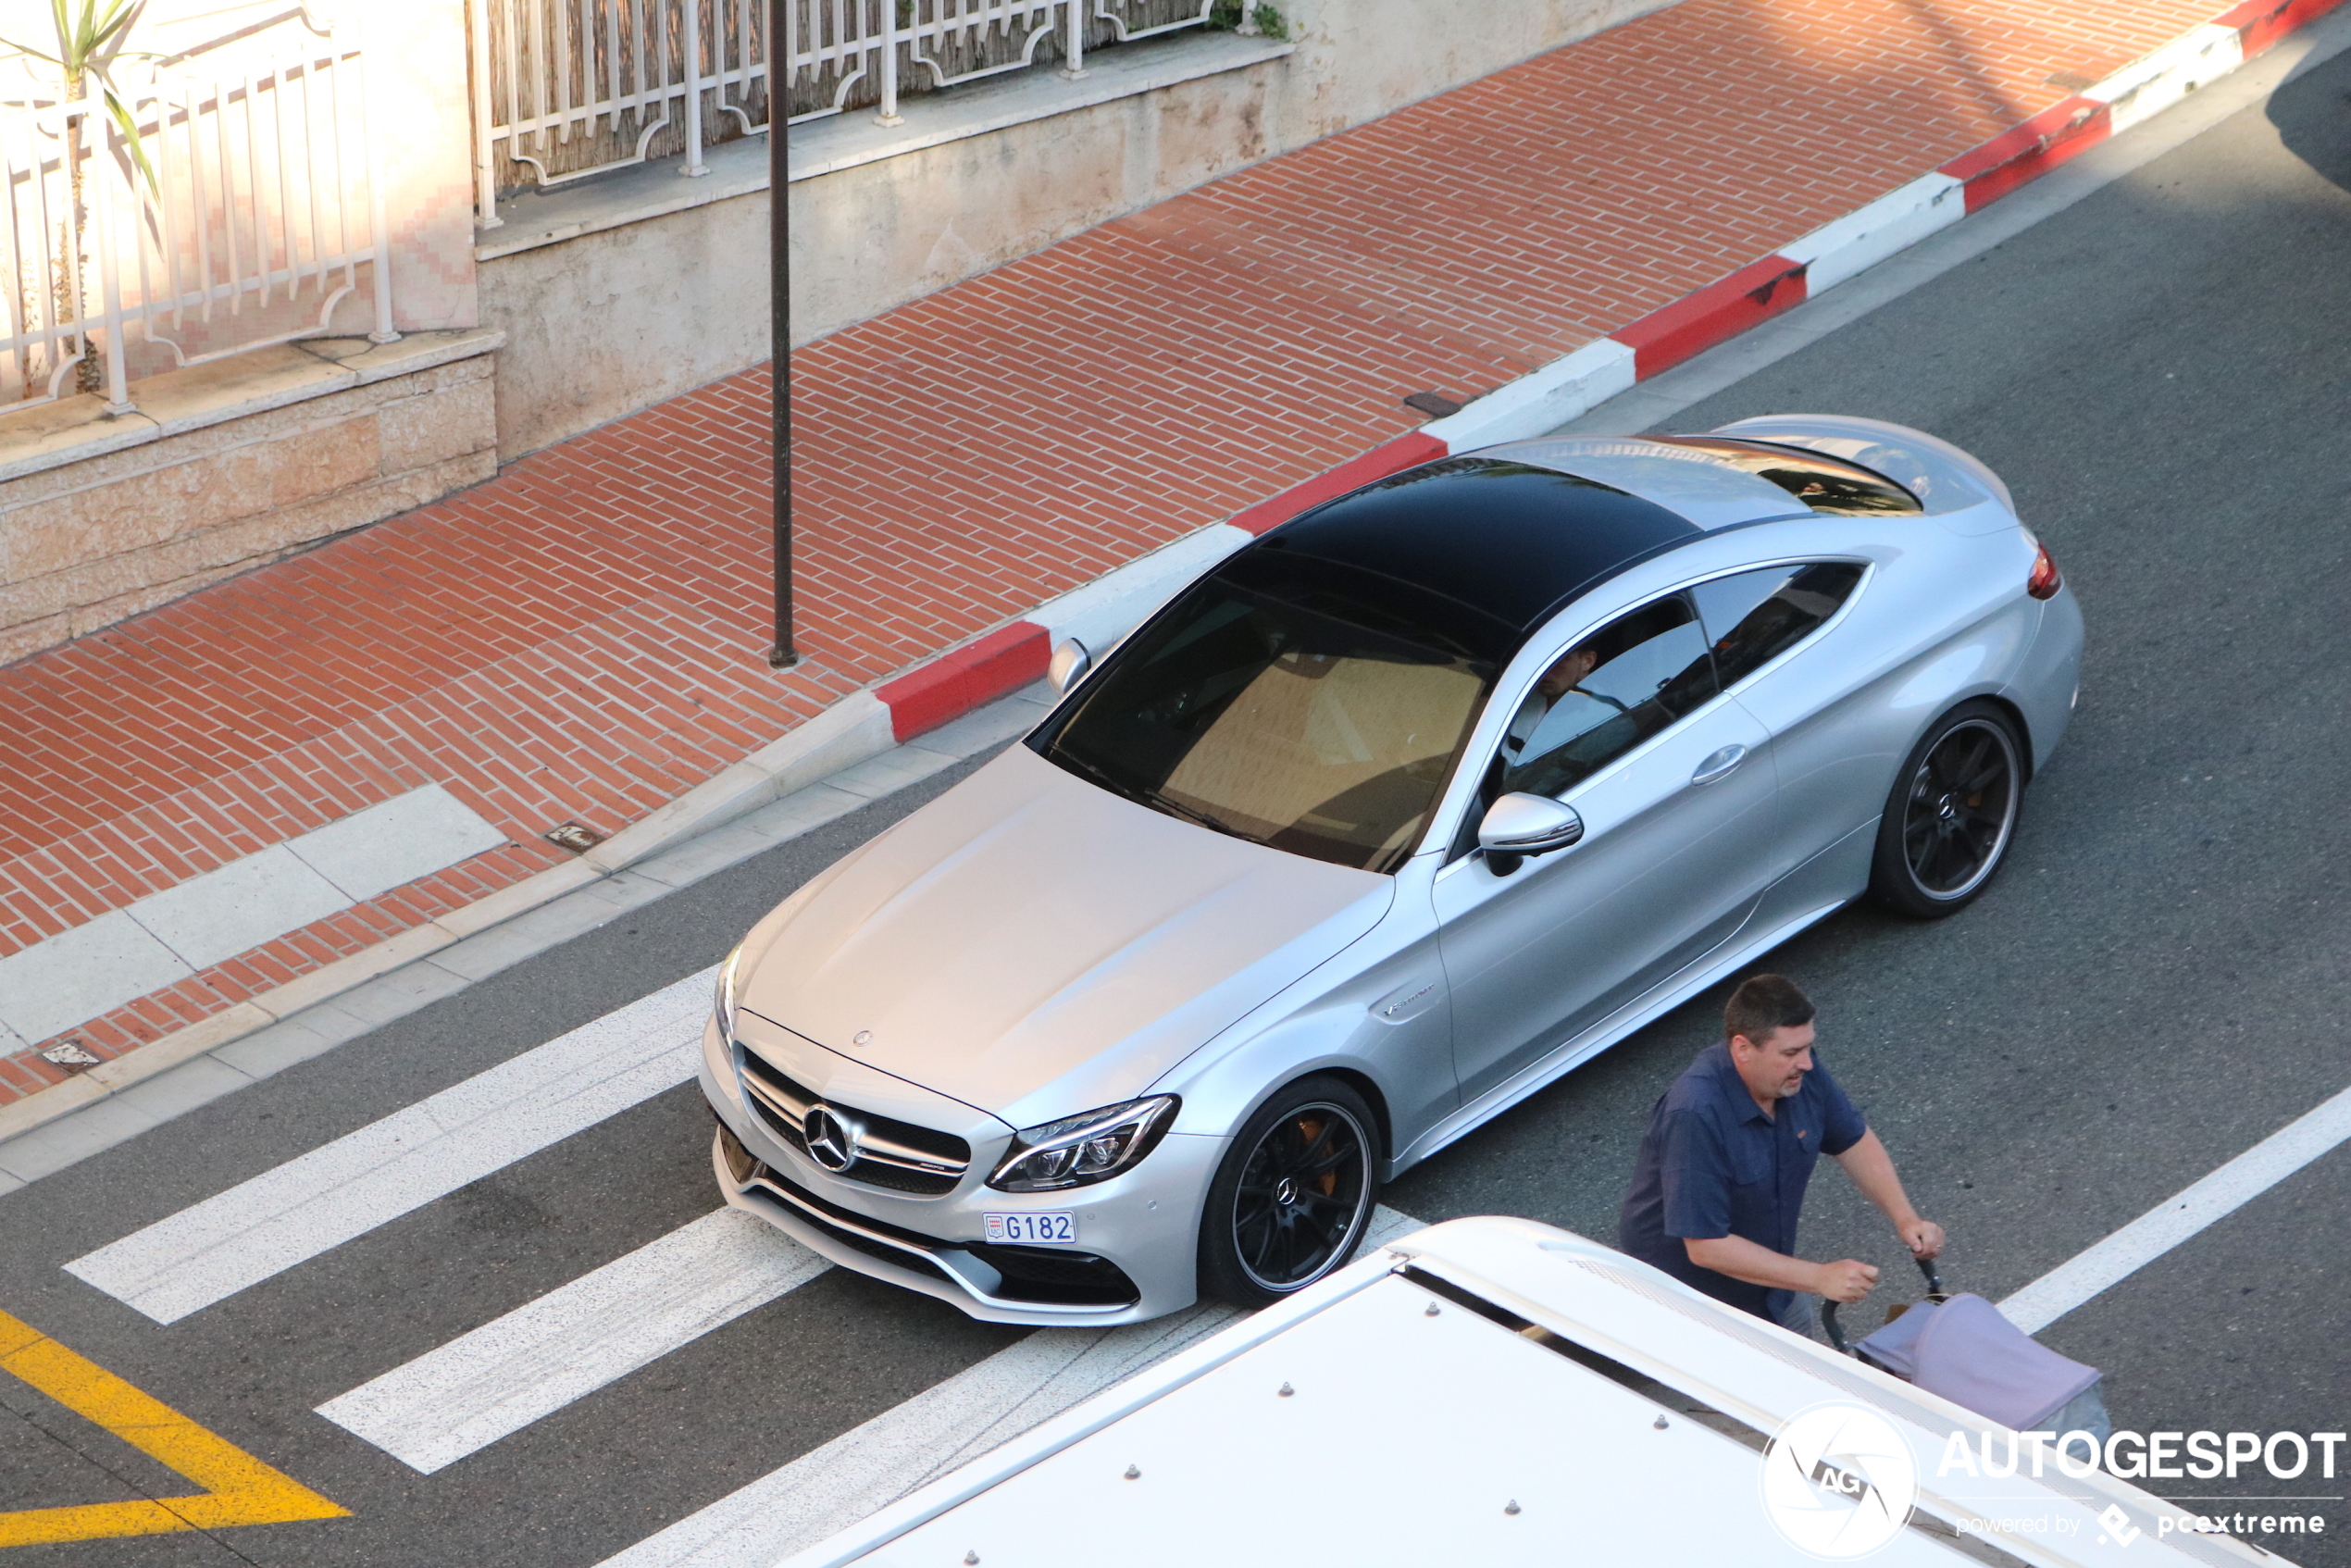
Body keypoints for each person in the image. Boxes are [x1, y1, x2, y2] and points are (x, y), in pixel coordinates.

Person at [1617, 974, 1944, 1338]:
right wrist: (1819, 1277)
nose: (1806, 1063)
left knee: (1810, 1367)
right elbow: (1705, 1245)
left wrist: (1906, 1218)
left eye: (1807, 1047)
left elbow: (1852, 1140)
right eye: (1790, 1052)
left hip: (1770, 1282)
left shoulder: (1796, 1075)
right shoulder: (1695, 1114)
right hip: (1698, 1309)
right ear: (1742, 1048)